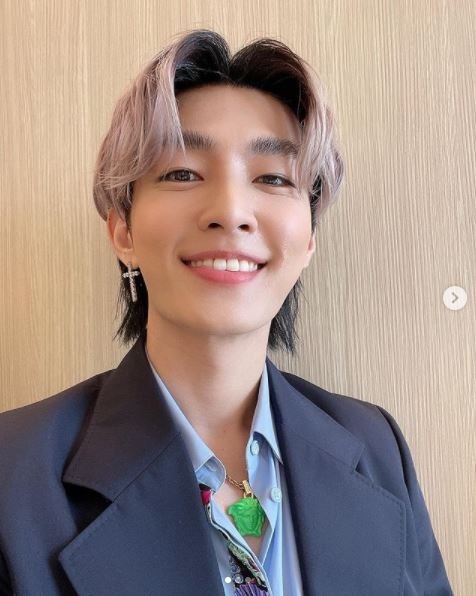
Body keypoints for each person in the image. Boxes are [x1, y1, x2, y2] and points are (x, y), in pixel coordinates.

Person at [0, 28, 452, 595]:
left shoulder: (377, 446)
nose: (232, 210)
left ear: (308, 239)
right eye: (182, 173)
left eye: (273, 177)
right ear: (123, 231)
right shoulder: (13, 473)